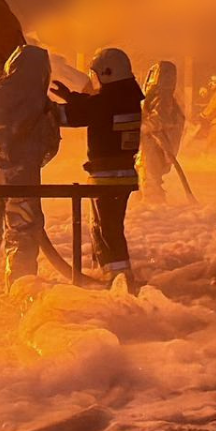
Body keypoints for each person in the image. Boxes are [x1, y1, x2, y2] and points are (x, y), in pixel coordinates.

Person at [0, 45, 59, 294]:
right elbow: (50, 143)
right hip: (22, 179)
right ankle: (20, 289)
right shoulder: (40, 104)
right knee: (23, 232)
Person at [50, 47, 143, 291]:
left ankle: (119, 280)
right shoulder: (126, 97)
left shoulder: (109, 101)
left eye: (98, 75)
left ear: (108, 73)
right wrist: (72, 96)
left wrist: (41, 108)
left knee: (106, 228)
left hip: (107, 177)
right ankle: (116, 275)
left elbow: (75, 116)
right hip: (122, 174)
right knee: (110, 226)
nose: (96, 80)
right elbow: (97, 107)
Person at [136, 60, 185, 204]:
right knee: (145, 173)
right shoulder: (158, 95)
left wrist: (142, 127)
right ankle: (147, 203)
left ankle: (154, 205)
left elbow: (160, 118)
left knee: (150, 175)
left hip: (155, 142)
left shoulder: (162, 95)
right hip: (152, 141)